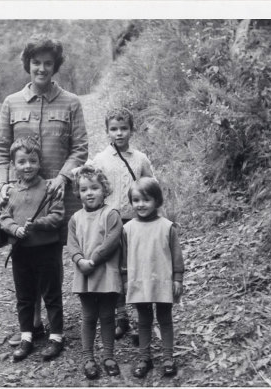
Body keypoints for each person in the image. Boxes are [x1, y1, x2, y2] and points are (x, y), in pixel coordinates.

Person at [0, 35, 88, 346]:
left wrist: (62, 177)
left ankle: (54, 317)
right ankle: (31, 321)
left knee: (51, 254)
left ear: (55, 66)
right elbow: (0, 150)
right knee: (23, 252)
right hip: (19, 195)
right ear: (28, 65)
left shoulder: (71, 102)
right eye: (36, 63)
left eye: (48, 63)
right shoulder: (11, 103)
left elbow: (80, 148)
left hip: (58, 195)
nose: (42, 68)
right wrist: (2, 183)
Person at [91, 107, 156, 340]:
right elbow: (91, 185)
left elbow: (151, 187)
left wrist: (157, 216)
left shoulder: (140, 159)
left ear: (132, 130)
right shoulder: (100, 159)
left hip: (137, 222)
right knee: (115, 269)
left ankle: (142, 322)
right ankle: (121, 317)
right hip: (111, 221)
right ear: (107, 131)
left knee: (138, 269)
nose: (119, 134)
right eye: (114, 129)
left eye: (124, 128)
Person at [0, 137, 65, 362]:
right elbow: (3, 216)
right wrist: (15, 229)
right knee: (24, 296)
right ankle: (27, 336)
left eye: (32, 161)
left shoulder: (48, 187)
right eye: (22, 162)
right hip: (21, 251)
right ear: (14, 165)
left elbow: (57, 216)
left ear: (39, 162)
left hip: (46, 249)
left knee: (51, 294)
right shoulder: (10, 192)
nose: (27, 166)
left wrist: (38, 224)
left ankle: (56, 337)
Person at [123, 177, 185, 378]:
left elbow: (176, 255)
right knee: (143, 320)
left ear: (157, 201)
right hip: (139, 281)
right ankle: (145, 357)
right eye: (136, 200)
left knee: (165, 318)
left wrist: (178, 278)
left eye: (146, 200)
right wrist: (124, 279)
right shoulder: (128, 228)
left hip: (162, 281)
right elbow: (123, 257)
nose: (140, 204)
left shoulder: (167, 227)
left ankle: (168, 357)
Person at [66, 165, 123, 379]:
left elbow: (111, 241)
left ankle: (108, 356)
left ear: (104, 189)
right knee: (89, 317)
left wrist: (94, 259)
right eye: (84, 189)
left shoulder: (111, 214)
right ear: (78, 193)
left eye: (94, 188)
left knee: (108, 316)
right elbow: (72, 244)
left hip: (106, 273)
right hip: (85, 274)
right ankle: (88, 357)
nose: (89, 193)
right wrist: (80, 260)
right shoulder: (75, 218)